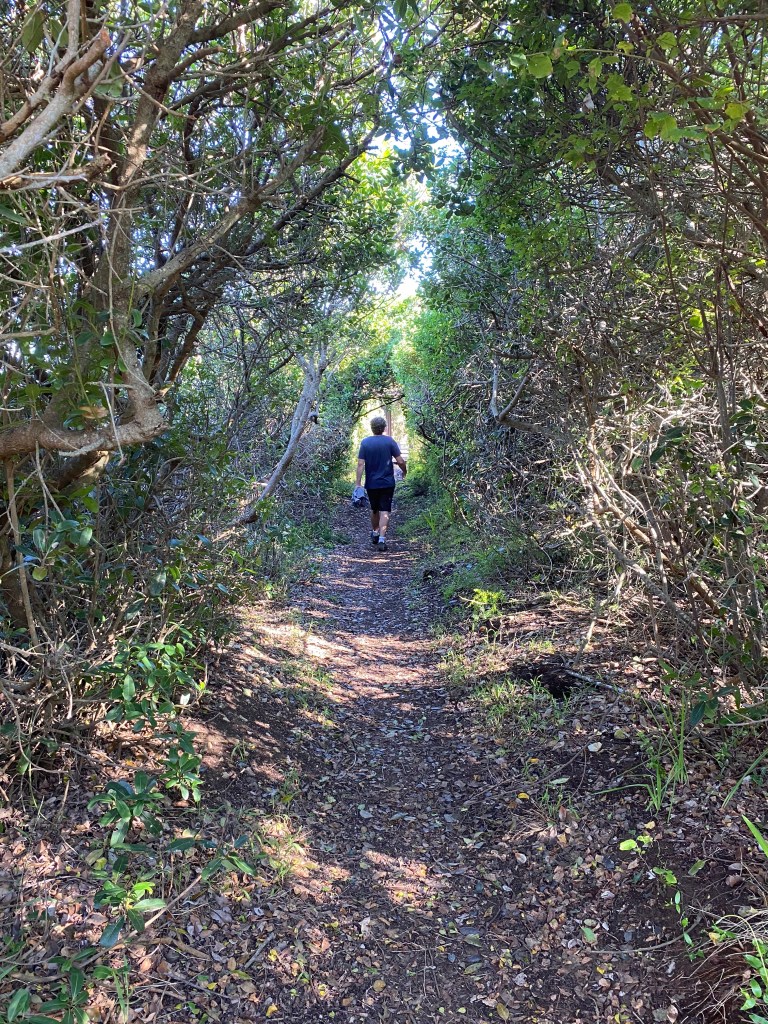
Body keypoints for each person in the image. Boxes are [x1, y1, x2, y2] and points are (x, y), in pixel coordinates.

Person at [356, 415, 407, 552]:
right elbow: (400, 461)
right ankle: (382, 539)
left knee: (374, 509)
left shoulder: (365, 443)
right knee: (385, 510)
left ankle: (375, 532)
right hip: (387, 483)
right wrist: (404, 471)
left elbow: (361, 464)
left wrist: (358, 483)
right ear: (384, 428)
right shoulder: (390, 441)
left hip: (371, 483)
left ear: (372, 428)